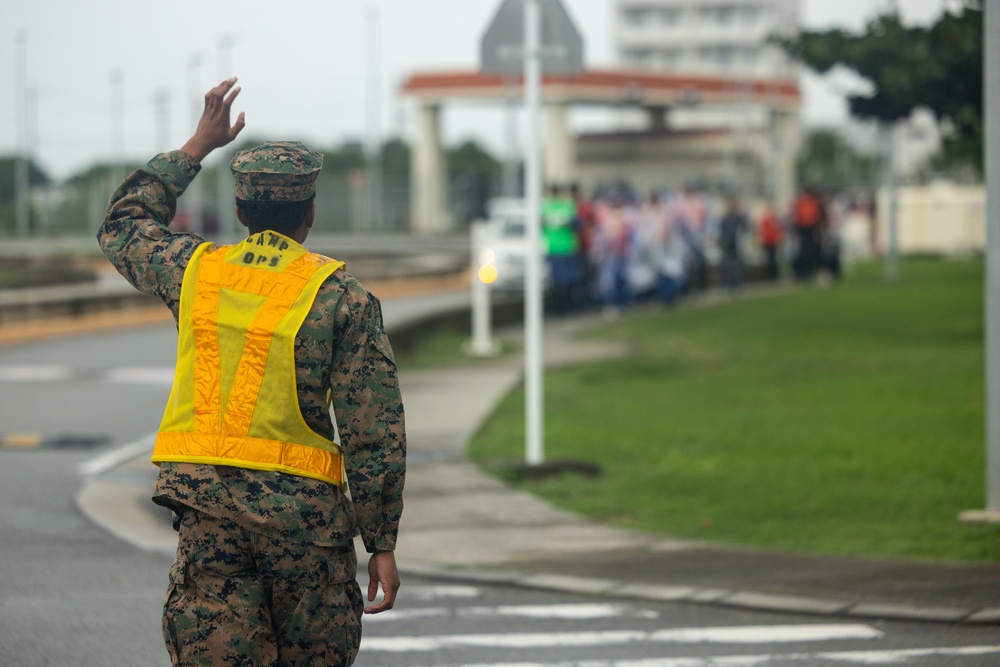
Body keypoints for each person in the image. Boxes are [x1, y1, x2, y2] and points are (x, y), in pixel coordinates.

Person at [97, 77, 405, 666]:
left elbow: (123, 225)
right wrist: (381, 543)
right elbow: (375, 433)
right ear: (309, 213)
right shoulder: (341, 296)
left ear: (240, 210)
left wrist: (196, 146)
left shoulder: (194, 271)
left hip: (210, 525)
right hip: (307, 534)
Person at [541, 183, 583, 314]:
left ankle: (562, 308)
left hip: (561, 249)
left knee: (564, 282)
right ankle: (561, 308)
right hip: (559, 249)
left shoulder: (546, 207)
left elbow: (577, 224)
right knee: (560, 282)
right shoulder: (566, 206)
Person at [717, 195, 749, 291]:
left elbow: (745, 229)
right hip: (727, 246)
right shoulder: (725, 219)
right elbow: (722, 232)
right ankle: (730, 284)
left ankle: (739, 283)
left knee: (739, 265)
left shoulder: (739, 218)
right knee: (727, 266)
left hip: (737, 245)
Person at [756, 201, 784, 281]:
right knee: (769, 259)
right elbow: (762, 231)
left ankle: (775, 276)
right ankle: (770, 276)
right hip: (767, 241)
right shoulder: (765, 220)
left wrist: (779, 238)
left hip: (773, 241)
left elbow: (778, 230)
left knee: (774, 259)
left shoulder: (774, 219)